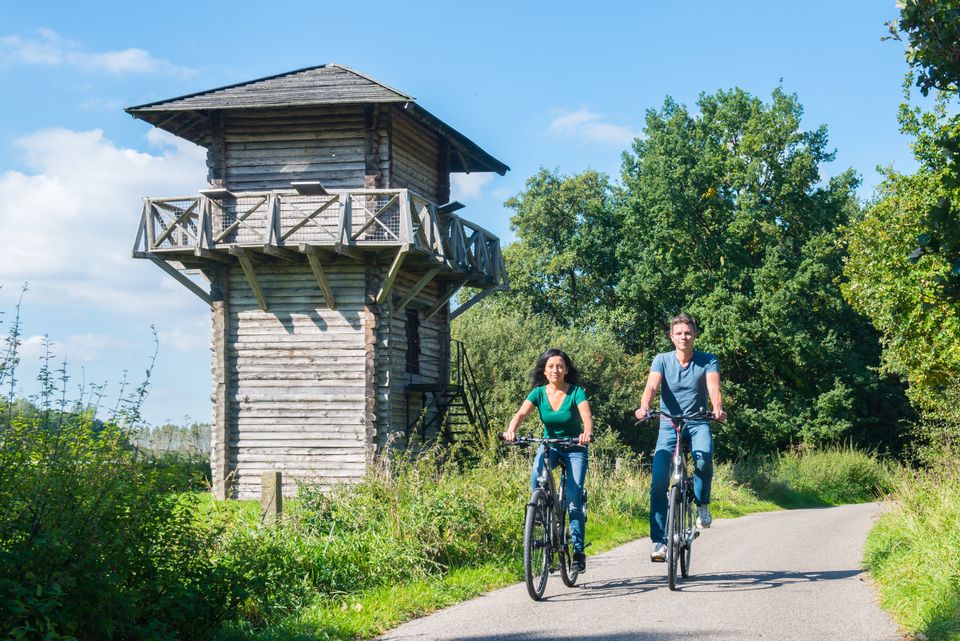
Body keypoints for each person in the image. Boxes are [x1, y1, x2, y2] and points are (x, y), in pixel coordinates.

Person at [634, 313, 726, 562]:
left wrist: (717, 409)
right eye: (679, 333)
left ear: (694, 335)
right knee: (658, 481)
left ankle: (702, 503)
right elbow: (651, 387)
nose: (683, 337)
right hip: (669, 423)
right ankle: (659, 542)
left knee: (703, 458)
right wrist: (644, 407)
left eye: (688, 333)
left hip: (698, 421)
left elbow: (713, 388)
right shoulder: (662, 359)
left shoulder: (708, 360)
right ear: (671, 337)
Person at [504, 348, 593, 573]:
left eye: (560, 366)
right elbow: (521, 414)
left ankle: (578, 553)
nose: (556, 370)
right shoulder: (538, 393)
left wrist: (586, 433)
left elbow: (586, 416)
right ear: (544, 371)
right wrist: (511, 431)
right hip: (550, 445)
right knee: (538, 473)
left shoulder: (576, 392)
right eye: (551, 366)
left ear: (566, 369)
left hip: (575, 447)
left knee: (573, 499)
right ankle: (541, 511)